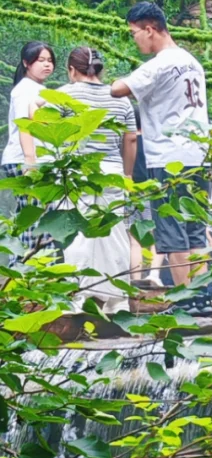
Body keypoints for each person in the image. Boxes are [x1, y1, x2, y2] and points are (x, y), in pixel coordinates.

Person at [110, 2, 212, 304]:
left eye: (134, 33)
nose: (135, 39)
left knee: (172, 232)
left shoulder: (160, 63)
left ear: (150, 29)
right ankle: (203, 299)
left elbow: (118, 88)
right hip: (198, 156)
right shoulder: (192, 61)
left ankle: (185, 300)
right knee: (195, 231)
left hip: (168, 156)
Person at [61, 46, 138, 313]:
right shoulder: (119, 97)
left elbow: (34, 107)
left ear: (72, 70)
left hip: (79, 171)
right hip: (113, 171)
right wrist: (127, 174)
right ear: (100, 70)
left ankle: (78, 297)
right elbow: (130, 138)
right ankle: (118, 301)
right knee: (115, 234)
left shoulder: (65, 95)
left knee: (80, 233)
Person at [2, 41, 55, 174]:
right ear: (26, 63)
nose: (47, 64)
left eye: (50, 60)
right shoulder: (25, 88)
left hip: (38, 159)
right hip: (24, 160)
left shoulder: (37, 88)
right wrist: (29, 161)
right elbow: (24, 124)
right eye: (40, 60)